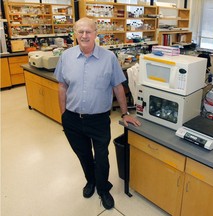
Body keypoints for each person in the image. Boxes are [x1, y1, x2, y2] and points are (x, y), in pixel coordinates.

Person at [54, 17, 141, 210]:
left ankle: (103, 188)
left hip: (99, 119)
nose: (84, 35)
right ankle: (90, 181)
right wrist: (63, 115)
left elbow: (118, 87)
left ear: (96, 34)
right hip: (73, 119)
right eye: (80, 31)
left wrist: (125, 113)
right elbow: (62, 87)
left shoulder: (109, 57)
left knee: (101, 156)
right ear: (75, 34)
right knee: (83, 154)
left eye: (88, 31)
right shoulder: (66, 57)